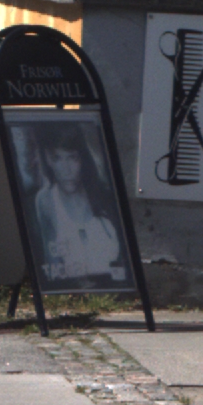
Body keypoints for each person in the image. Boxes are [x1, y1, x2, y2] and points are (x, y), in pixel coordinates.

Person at [25, 122, 127, 289]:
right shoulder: (45, 201)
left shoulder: (105, 196)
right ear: (48, 159)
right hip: (73, 290)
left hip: (115, 288)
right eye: (57, 158)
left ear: (83, 159)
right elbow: (51, 264)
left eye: (73, 158)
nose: (66, 170)